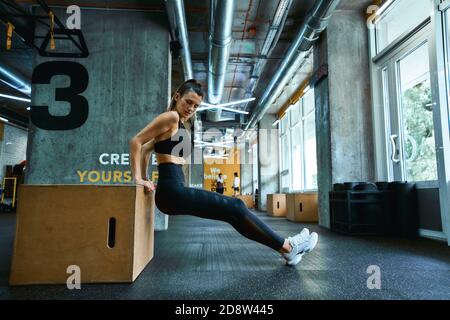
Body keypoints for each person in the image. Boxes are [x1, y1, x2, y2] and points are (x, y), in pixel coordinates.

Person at [129, 79, 318, 266]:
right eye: (188, 102)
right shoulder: (171, 117)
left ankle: (287, 251)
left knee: (233, 213)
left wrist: (146, 178)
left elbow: (146, 150)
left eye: (196, 106)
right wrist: (138, 178)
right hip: (172, 191)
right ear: (177, 96)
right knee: (235, 205)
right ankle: (289, 246)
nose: (191, 108)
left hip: (172, 191)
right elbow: (136, 142)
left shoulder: (177, 124)